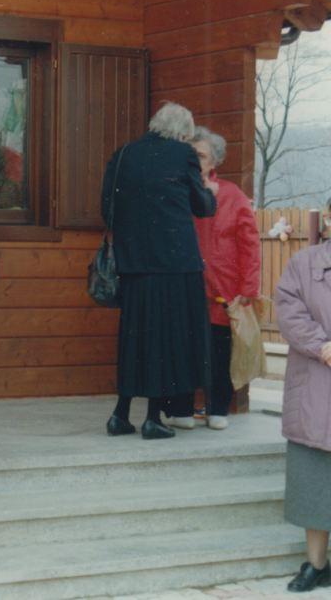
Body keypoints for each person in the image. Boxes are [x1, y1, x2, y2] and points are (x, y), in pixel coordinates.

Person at [101, 102, 217, 440]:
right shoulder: (183, 155)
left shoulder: (123, 154)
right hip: (176, 266)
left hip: (134, 266)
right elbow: (203, 206)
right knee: (166, 340)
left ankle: (120, 415)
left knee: (136, 340)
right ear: (183, 134)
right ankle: (153, 418)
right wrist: (210, 191)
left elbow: (106, 209)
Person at [188, 127, 261, 431]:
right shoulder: (179, 191)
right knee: (187, 349)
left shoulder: (233, 195)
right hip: (189, 286)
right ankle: (183, 407)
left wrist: (249, 287)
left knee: (220, 352)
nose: (194, 160)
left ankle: (217, 408)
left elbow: (250, 244)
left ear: (213, 162)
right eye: (190, 154)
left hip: (224, 289)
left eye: (201, 155)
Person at [275, 238, 331, 593]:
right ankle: (316, 565)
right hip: (315, 388)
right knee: (314, 482)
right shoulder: (303, 262)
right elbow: (288, 311)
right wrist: (323, 346)